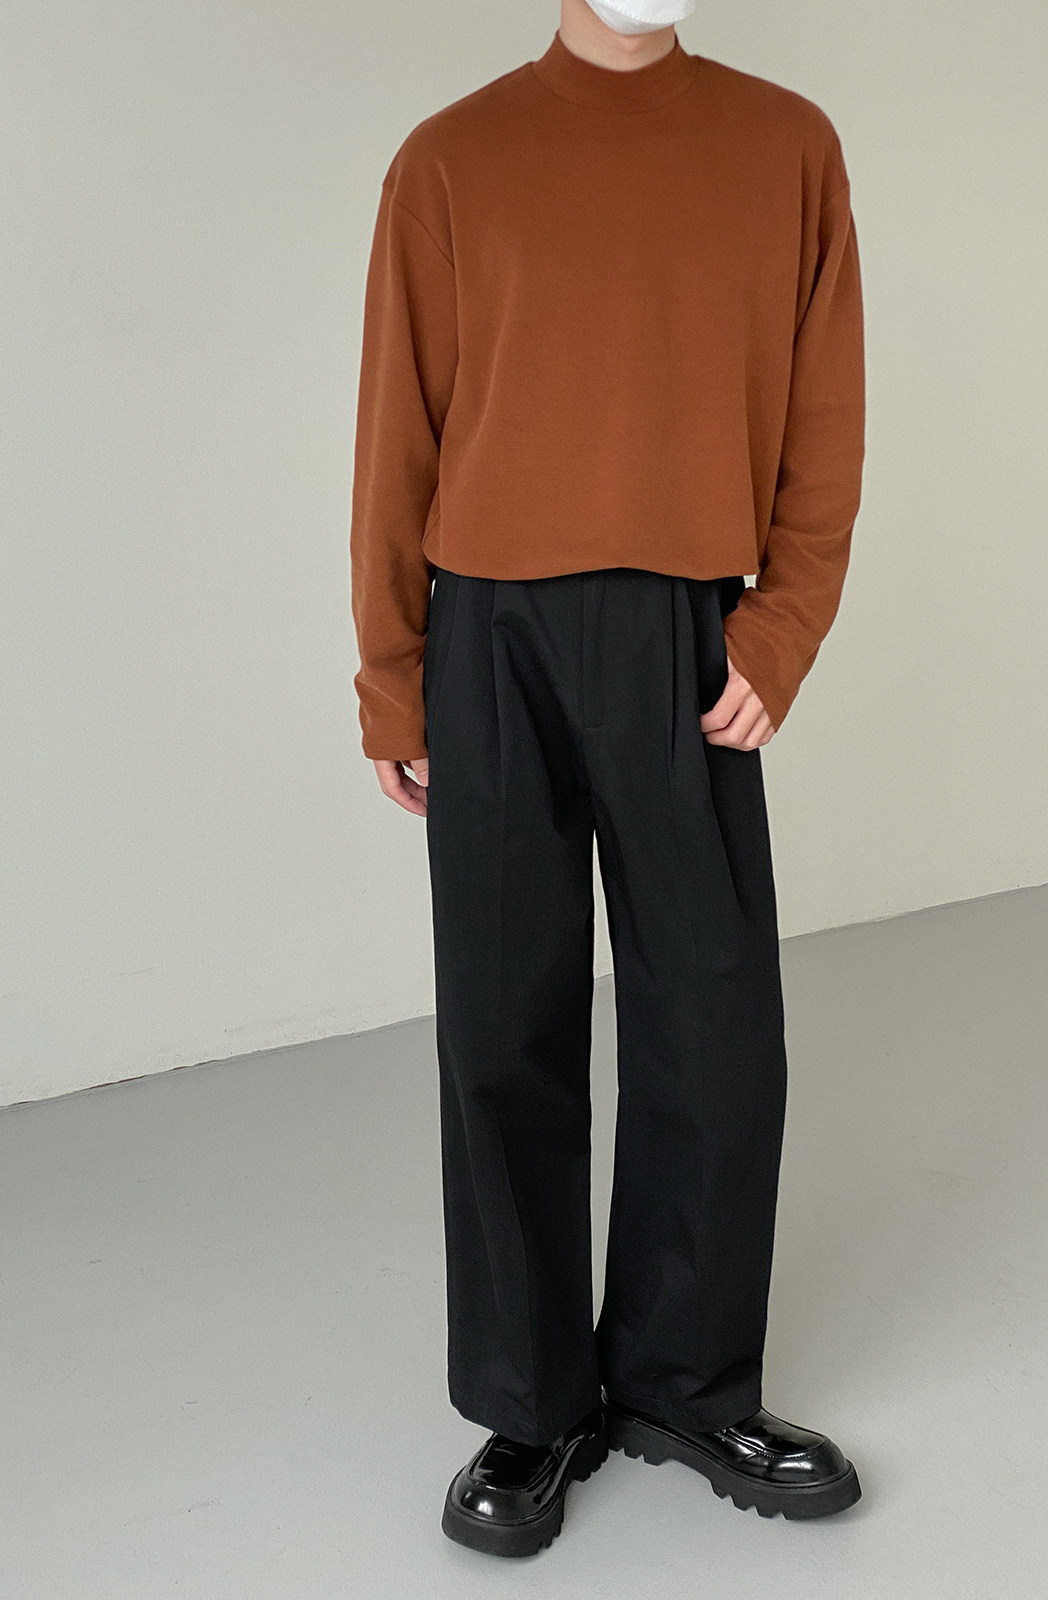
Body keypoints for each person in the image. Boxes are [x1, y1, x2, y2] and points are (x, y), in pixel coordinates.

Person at [348, 0, 866, 1558]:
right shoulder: (451, 161)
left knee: (715, 1017)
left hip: (688, 630)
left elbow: (828, 411)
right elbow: (396, 431)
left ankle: (686, 1379)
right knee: (504, 1020)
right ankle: (531, 1402)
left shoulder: (785, 146)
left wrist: (780, 626)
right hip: (488, 633)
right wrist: (394, 673)